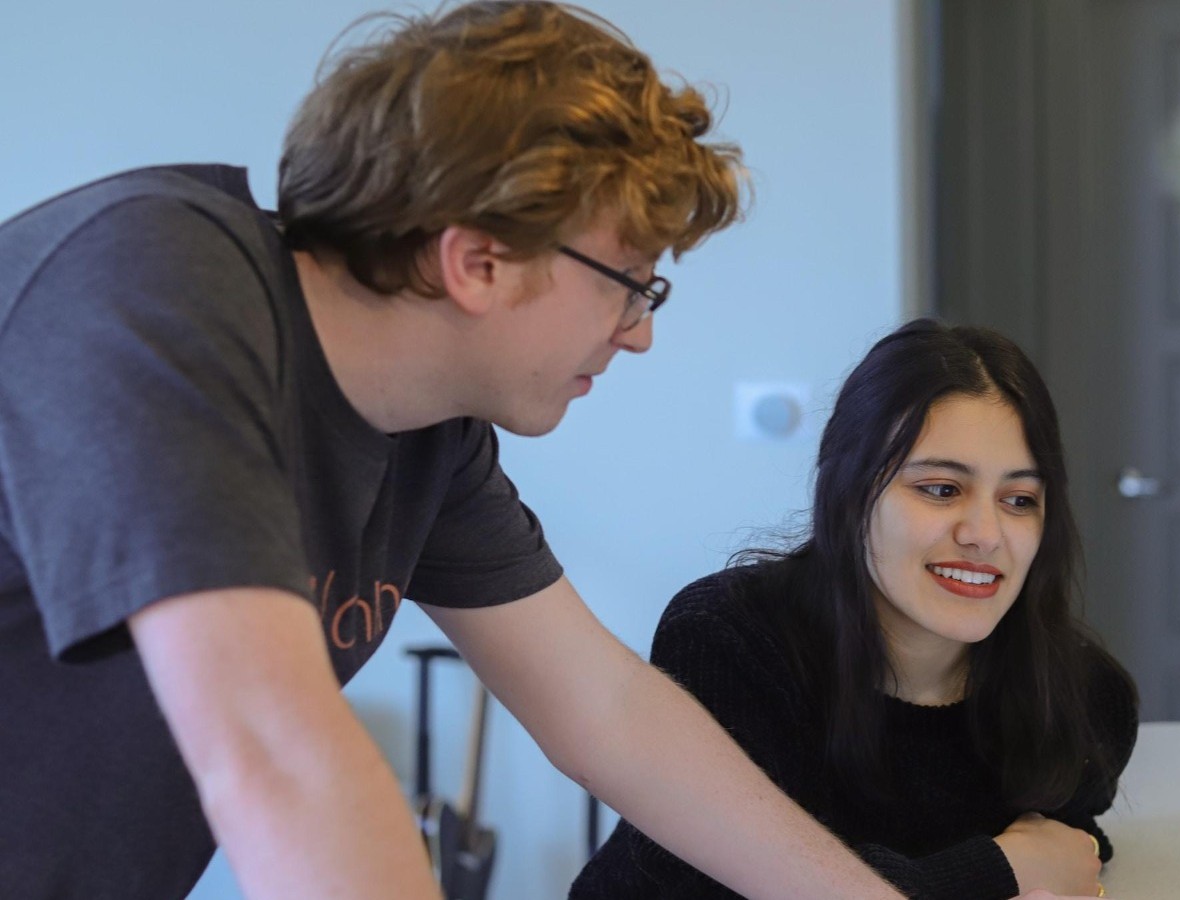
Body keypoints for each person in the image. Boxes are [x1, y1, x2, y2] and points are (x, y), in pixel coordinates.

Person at [0, 4, 920, 898]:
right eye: (631, 284)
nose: (637, 334)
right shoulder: (150, 290)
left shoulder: (428, 434)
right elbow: (278, 754)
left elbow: (610, 714)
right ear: (477, 261)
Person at [571, 318, 1141, 899]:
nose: (985, 534)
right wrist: (999, 869)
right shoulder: (725, 640)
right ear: (850, 491)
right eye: (941, 489)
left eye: (1019, 500)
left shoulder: (1084, 697)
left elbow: (1069, 850)